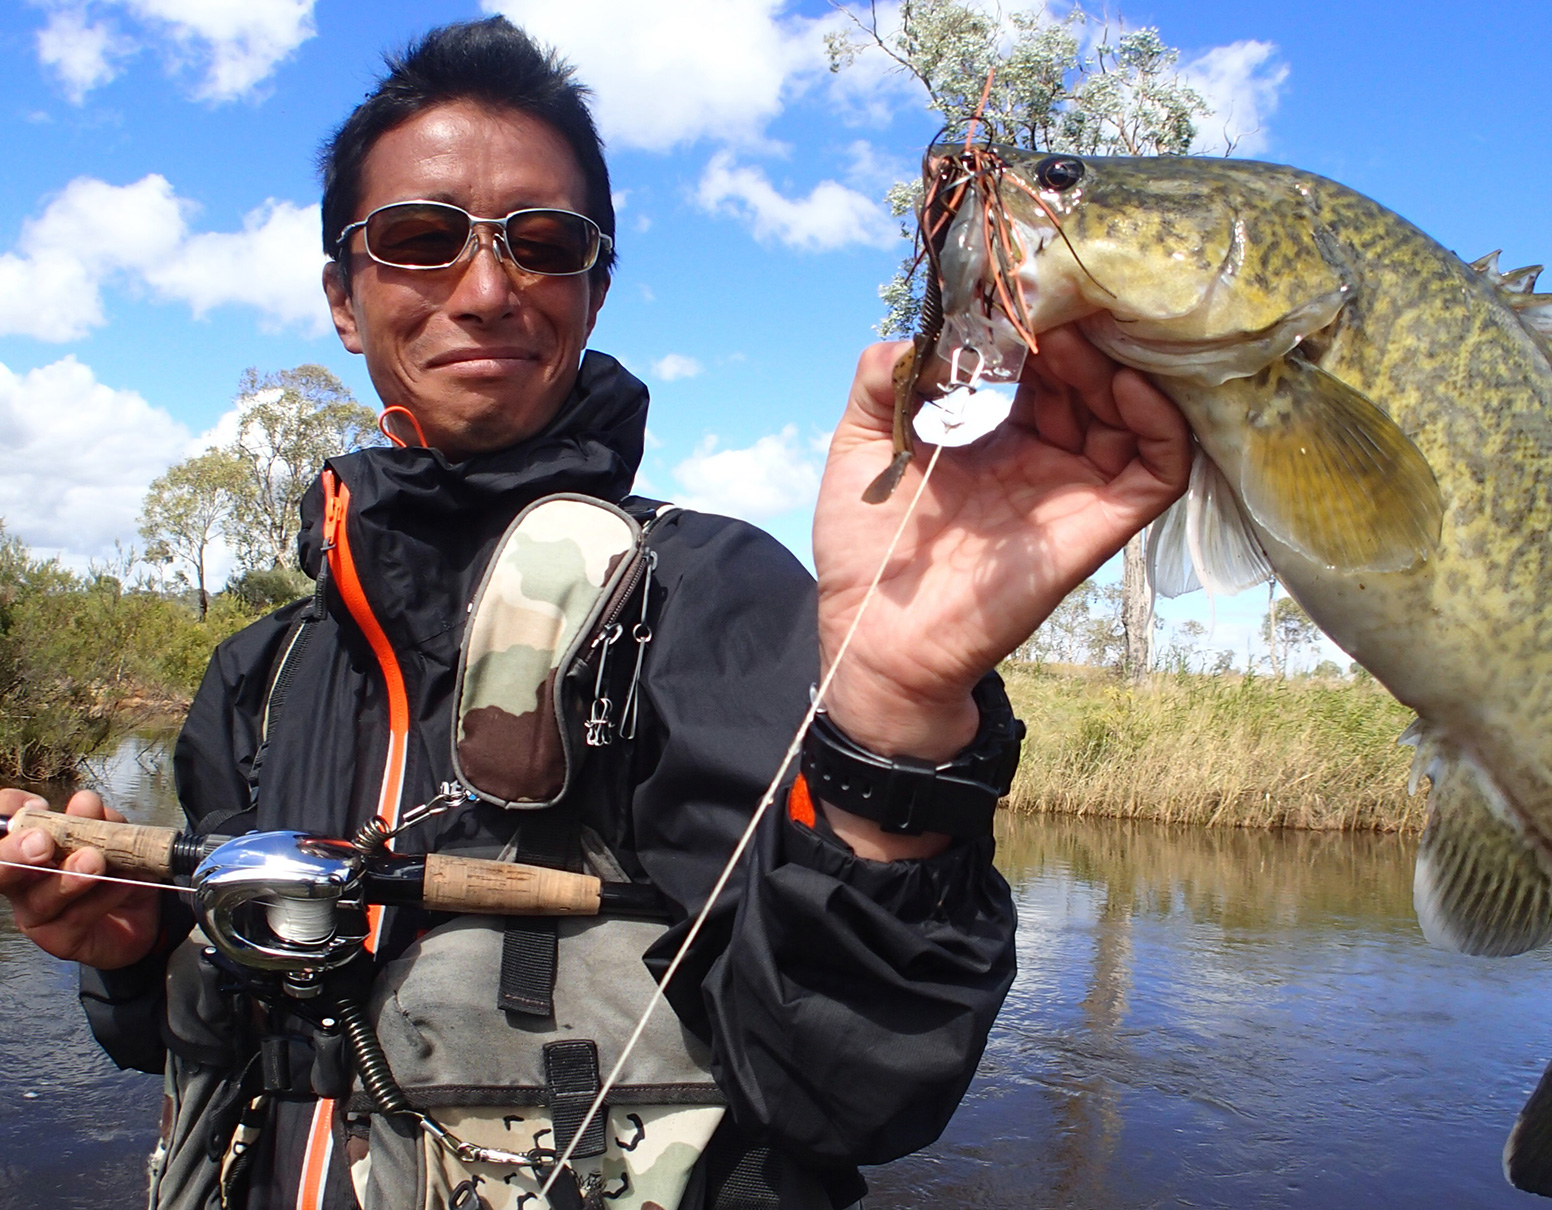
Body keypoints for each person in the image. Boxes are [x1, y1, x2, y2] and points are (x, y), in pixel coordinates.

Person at [0, 16, 1189, 1210]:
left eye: (543, 242)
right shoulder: (258, 674)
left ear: (592, 288)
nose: (483, 287)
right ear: (344, 298)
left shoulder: (716, 602)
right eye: (417, 238)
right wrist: (134, 953)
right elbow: (226, 1033)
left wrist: (897, 713)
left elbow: (849, 1089)